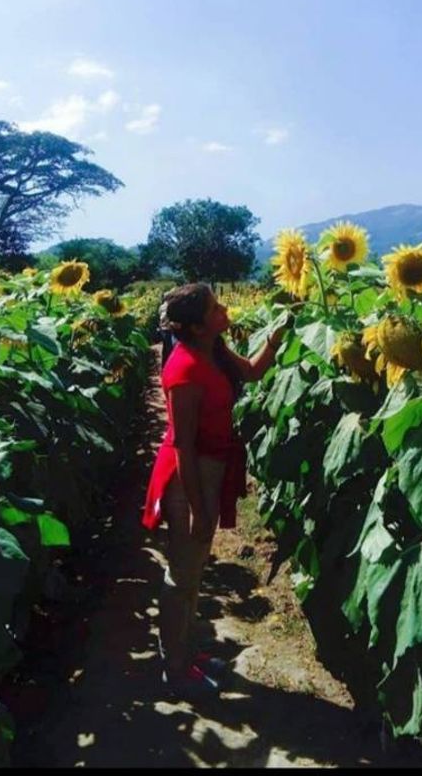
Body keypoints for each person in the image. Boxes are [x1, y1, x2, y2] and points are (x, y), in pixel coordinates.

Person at [141, 283, 288, 699]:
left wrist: (275, 338)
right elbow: (182, 445)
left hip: (210, 468)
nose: (224, 309)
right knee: (181, 575)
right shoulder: (183, 369)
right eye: (215, 307)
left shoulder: (215, 350)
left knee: (195, 569)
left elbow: (253, 371)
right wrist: (198, 509)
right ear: (198, 324)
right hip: (188, 475)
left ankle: (187, 654)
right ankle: (175, 668)